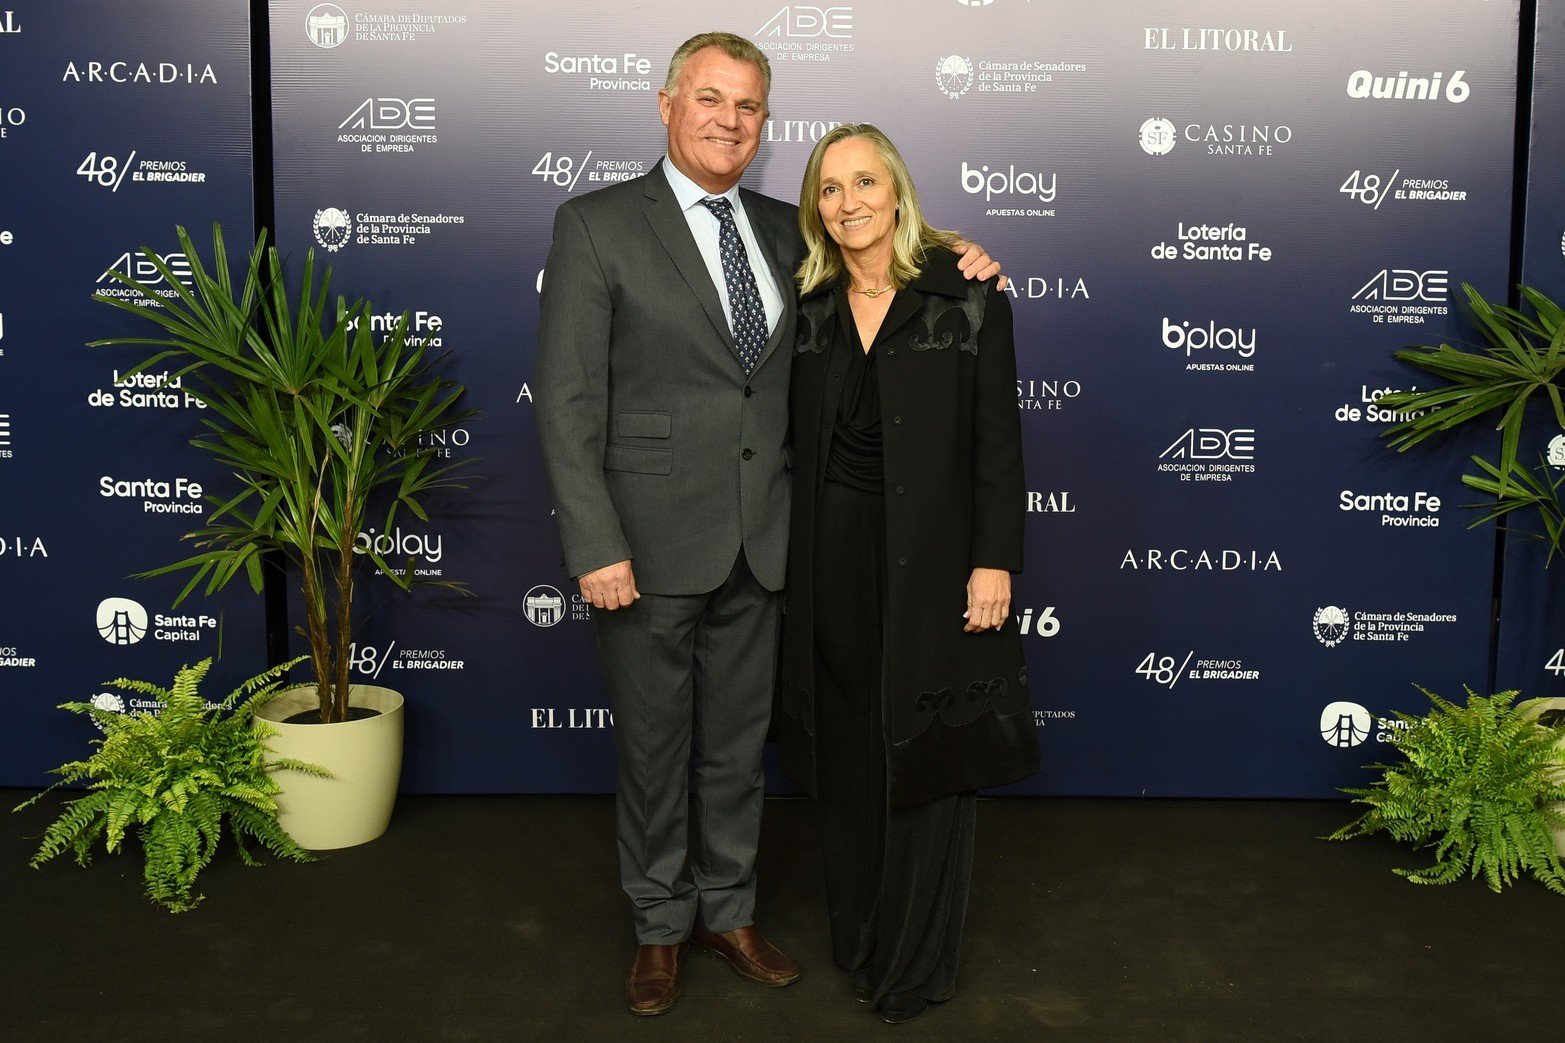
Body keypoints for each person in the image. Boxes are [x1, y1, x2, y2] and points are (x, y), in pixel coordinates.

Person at [534, 36, 999, 1017]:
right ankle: (658, 924)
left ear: (763, 122)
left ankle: (728, 908)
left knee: (738, 746)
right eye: (709, 100)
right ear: (666, 104)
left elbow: (890, 276)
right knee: (655, 749)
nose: (727, 121)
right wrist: (594, 543)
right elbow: (568, 403)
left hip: (768, 542)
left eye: (747, 106)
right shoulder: (595, 224)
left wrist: (962, 264)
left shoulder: (794, 230)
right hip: (645, 547)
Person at [777, 124, 1041, 1025]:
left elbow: (996, 445)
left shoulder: (966, 299)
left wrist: (993, 559)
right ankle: (858, 939)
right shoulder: (803, 305)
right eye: (828, 189)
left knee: (927, 760)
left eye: (864, 182)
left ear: (897, 189)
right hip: (826, 571)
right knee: (849, 757)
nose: (848, 203)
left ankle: (913, 961)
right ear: (814, 206)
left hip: (933, 565)